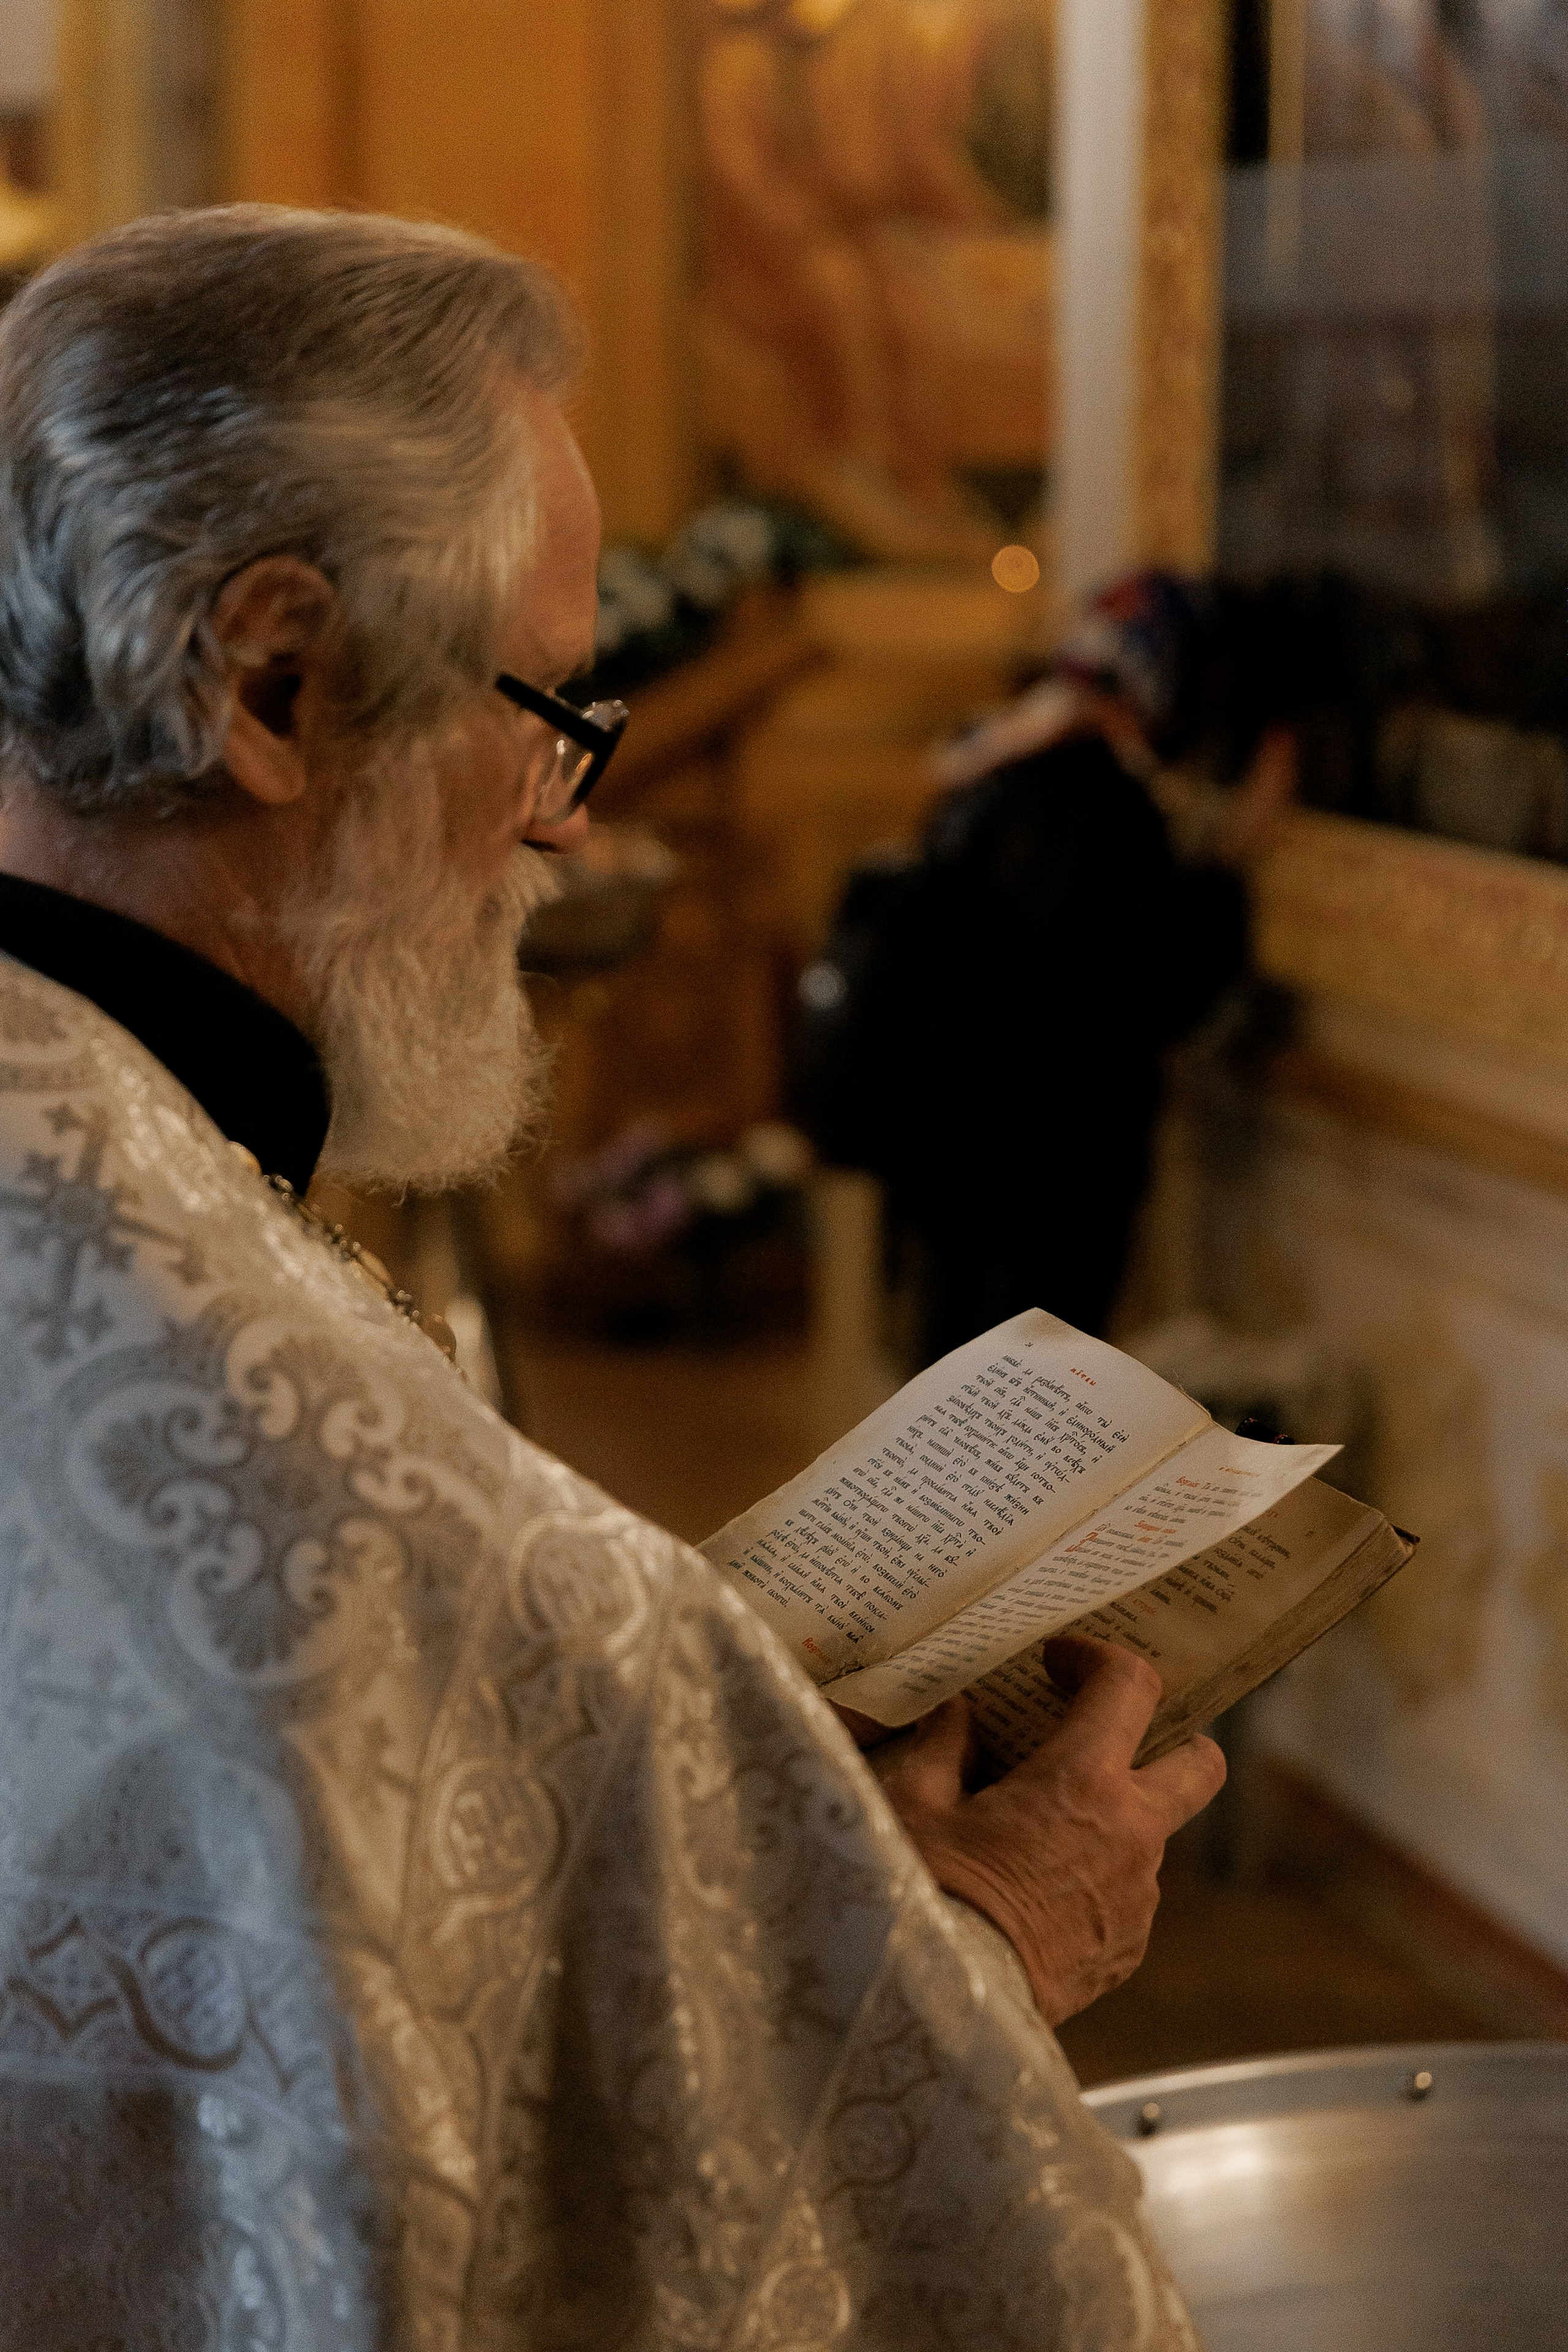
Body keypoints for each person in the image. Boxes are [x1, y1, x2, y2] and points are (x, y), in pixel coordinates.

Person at [0, 207, 1224, 2348]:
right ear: (272, 679)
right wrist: (983, 1945)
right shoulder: (410, 1559)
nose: (560, 823)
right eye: (547, 709)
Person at [791, 572, 1298, 1363]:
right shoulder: (1101, 804)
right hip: (1046, 1165)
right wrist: (1227, 868)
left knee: (949, 1380)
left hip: (948, 1144)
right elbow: (1148, 992)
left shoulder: (993, 766)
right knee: (1020, 1406)